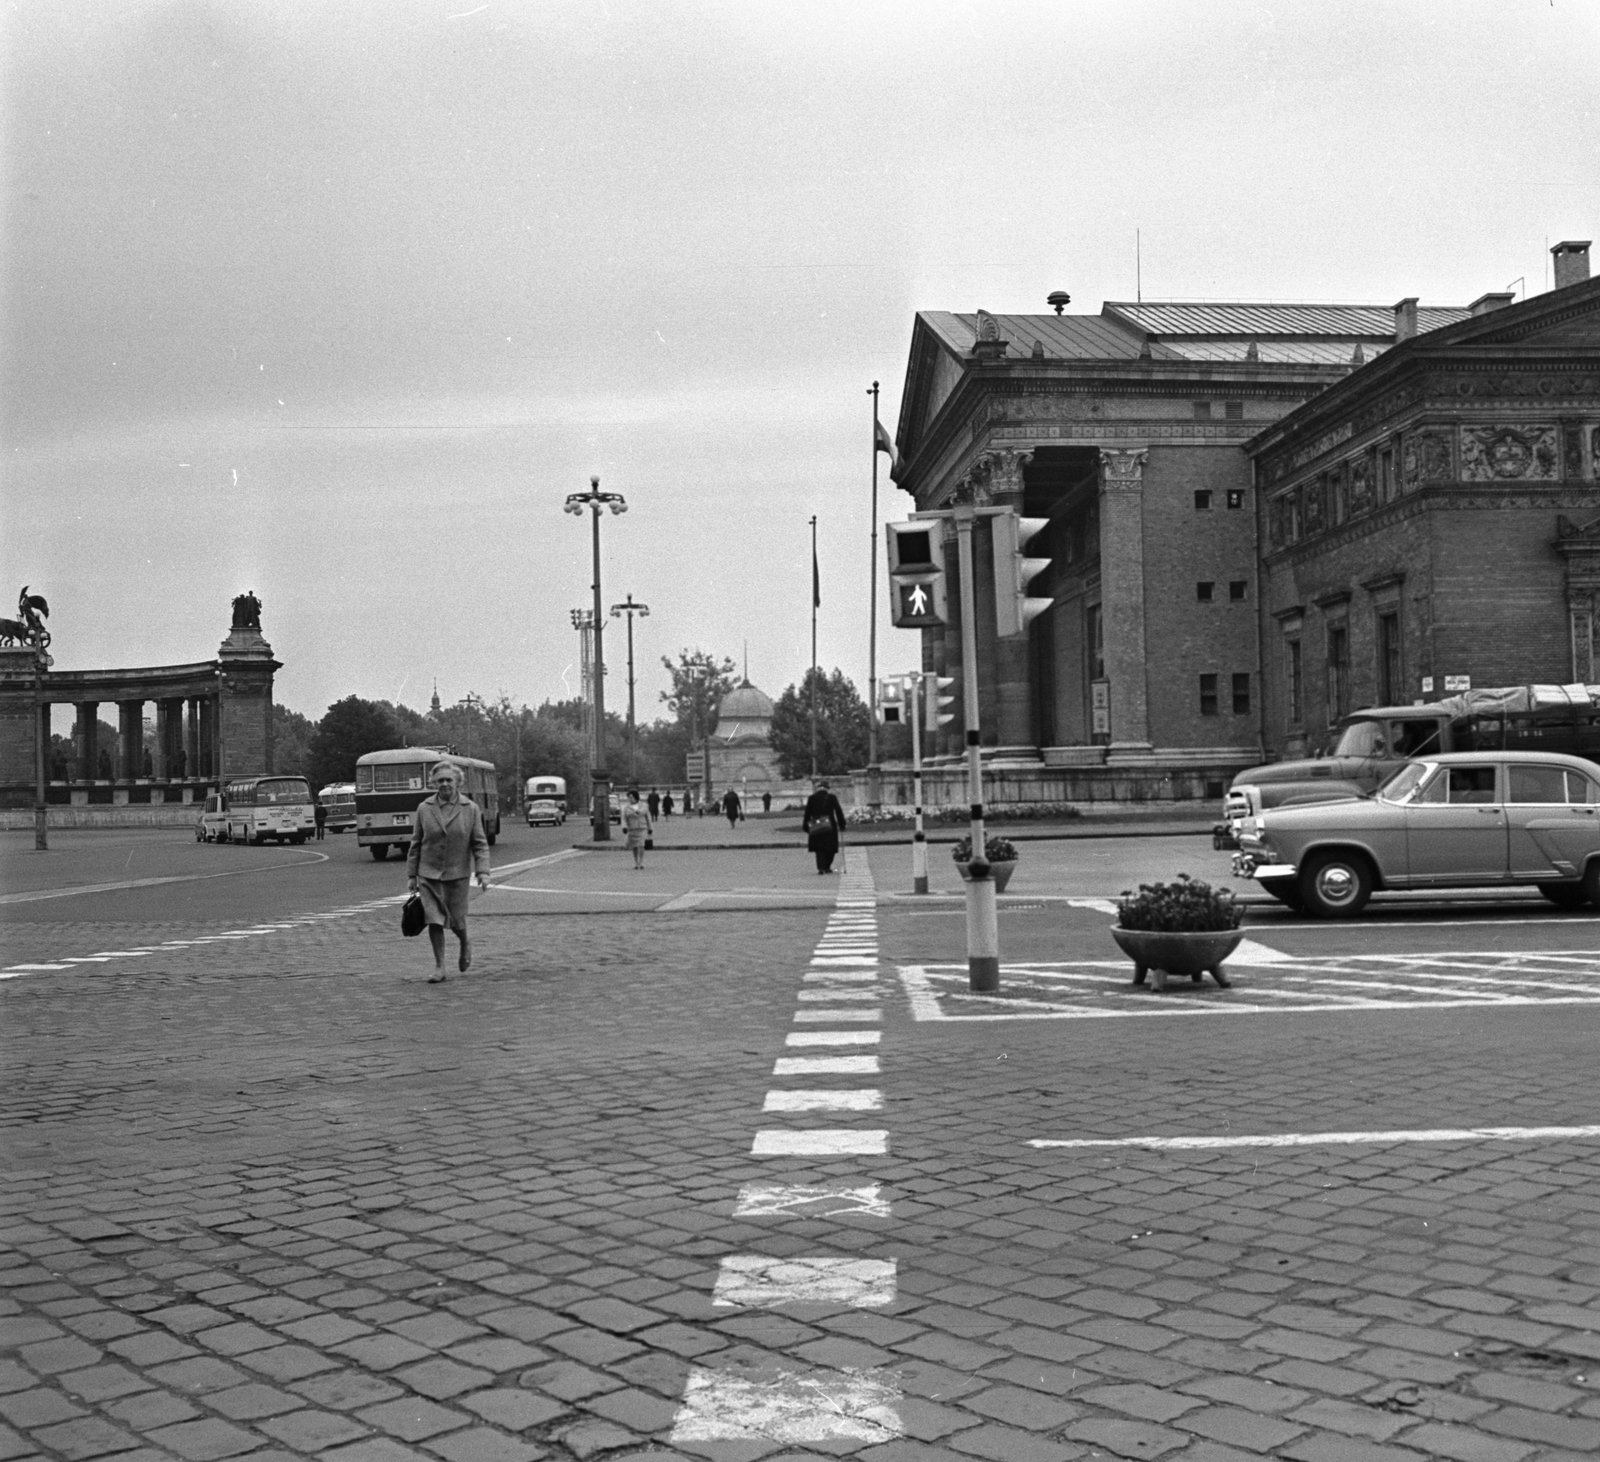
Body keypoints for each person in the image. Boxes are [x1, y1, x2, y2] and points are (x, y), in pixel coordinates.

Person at [406, 761, 491, 983]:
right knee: (434, 920)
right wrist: (411, 875)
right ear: (434, 782)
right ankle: (440, 967)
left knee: (456, 922)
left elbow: (480, 844)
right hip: (428, 874)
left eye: (449, 780)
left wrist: (483, 871)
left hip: (457, 875)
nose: (444, 784)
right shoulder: (424, 808)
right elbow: (416, 843)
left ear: (458, 783)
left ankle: (465, 942)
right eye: (440, 780)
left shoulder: (470, 809)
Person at [803, 779, 847, 874]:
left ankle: (821, 868)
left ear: (818, 788)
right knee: (830, 847)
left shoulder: (812, 798)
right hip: (830, 824)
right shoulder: (831, 797)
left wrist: (806, 827)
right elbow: (838, 811)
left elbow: (807, 814)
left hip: (817, 824)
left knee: (819, 848)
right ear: (827, 789)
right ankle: (827, 866)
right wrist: (842, 824)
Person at [622, 788, 652, 869]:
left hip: (642, 828)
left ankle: (641, 862)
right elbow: (624, 818)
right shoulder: (626, 808)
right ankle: (636, 862)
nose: (630, 799)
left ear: (636, 797)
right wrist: (624, 827)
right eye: (629, 797)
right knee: (634, 846)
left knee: (641, 845)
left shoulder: (643, 806)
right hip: (632, 828)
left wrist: (650, 828)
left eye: (631, 797)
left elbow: (648, 817)